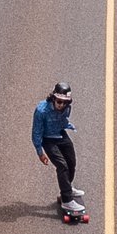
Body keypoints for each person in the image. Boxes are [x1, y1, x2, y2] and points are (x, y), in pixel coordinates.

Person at [31, 83, 83, 215]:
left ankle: (68, 188)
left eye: (64, 102)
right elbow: (36, 132)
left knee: (71, 162)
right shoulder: (41, 110)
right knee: (62, 165)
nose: (61, 105)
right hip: (48, 139)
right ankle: (66, 199)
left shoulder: (66, 108)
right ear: (53, 98)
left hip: (60, 134)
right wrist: (40, 153)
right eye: (59, 101)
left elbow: (64, 119)